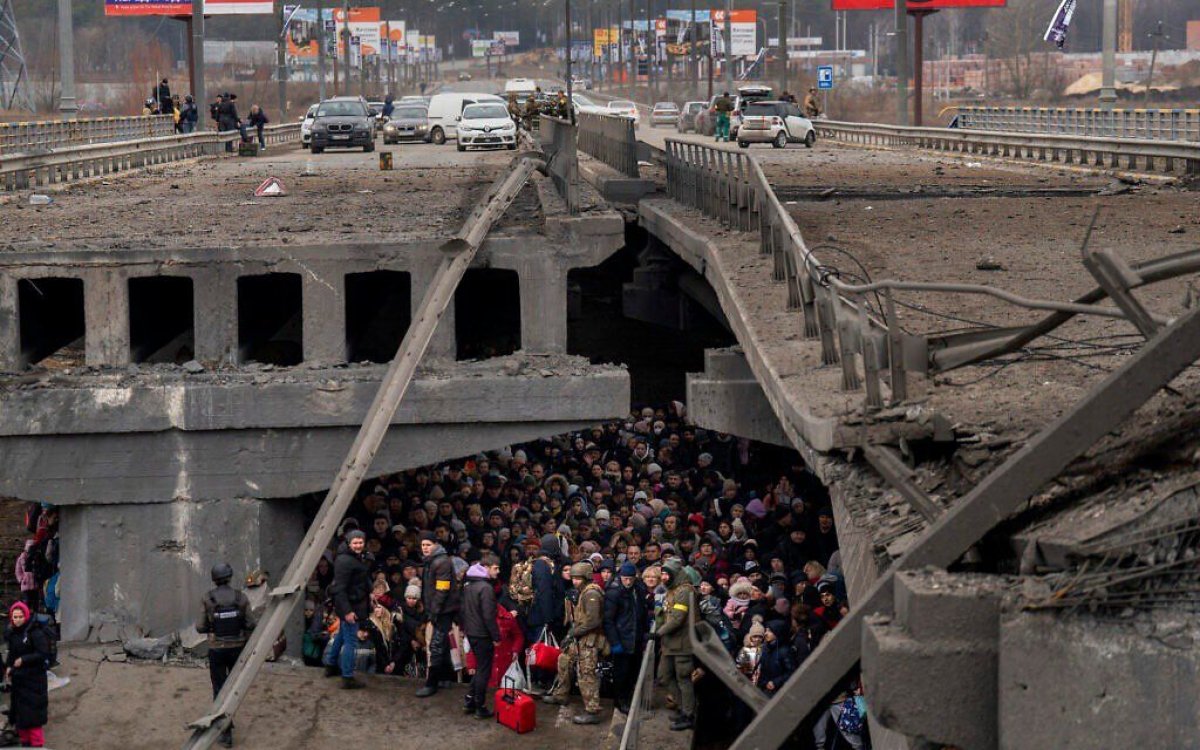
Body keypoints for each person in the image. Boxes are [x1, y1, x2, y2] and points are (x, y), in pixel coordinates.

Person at [196, 562, 255, 747]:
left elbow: (200, 627)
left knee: (219, 689)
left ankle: (225, 731)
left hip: (217, 650)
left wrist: (212, 625)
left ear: (214, 579)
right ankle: (228, 722)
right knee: (235, 688)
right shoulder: (241, 597)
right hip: (237, 648)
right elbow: (251, 624)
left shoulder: (207, 598)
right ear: (229, 577)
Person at [543, 561, 607, 724]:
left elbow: (592, 621)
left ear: (586, 577)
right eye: (573, 578)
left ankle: (592, 710)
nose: (575, 581)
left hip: (589, 639)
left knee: (586, 674)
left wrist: (572, 633)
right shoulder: (582, 591)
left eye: (578, 578)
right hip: (580, 637)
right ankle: (561, 695)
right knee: (564, 660)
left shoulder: (591, 593)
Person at [324, 529, 371, 689]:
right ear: (349, 543)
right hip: (351, 605)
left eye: (361, 542)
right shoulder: (345, 561)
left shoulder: (354, 557)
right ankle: (348, 676)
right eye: (355, 543)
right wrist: (347, 611)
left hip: (353, 603)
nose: (358, 545)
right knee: (351, 641)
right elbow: (340, 589)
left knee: (342, 636)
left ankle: (331, 665)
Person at [417, 530, 461, 697]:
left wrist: (434, 611)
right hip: (440, 609)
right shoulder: (432, 560)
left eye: (428, 544)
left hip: (443, 610)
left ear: (435, 544)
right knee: (441, 643)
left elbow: (442, 589)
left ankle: (432, 683)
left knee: (436, 645)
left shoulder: (441, 562)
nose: (425, 548)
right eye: (423, 545)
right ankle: (445, 677)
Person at [655, 558, 696, 731]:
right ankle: (682, 707)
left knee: (683, 678)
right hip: (669, 644)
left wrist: (657, 633)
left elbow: (678, 619)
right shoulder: (671, 590)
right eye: (662, 574)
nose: (663, 577)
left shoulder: (684, 591)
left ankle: (688, 714)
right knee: (663, 676)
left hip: (682, 644)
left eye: (666, 574)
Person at [461, 552, 502, 719]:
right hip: (483, 634)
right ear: (485, 568)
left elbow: (463, 609)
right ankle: (480, 706)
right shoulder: (485, 588)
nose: (498, 571)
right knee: (483, 671)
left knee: (480, 669)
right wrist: (496, 637)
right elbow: (488, 616)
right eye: (495, 568)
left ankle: (470, 701)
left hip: (471, 632)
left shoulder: (468, 585)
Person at [5, 602, 50, 748]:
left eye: (20, 616)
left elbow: (42, 654)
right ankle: (25, 745)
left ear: (26, 616)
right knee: (21, 719)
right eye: (15, 617)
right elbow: (12, 655)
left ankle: (37, 746)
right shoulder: (12, 634)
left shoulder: (35, 633)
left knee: (33, 720)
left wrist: (23, 660)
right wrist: (9, 667)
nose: (17, 620)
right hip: (19, 682)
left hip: (34, 681)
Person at [604, 561, 644, 714]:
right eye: (625, 578)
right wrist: (615, 642)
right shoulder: (614, 593)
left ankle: (628, 698)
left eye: (630, 579)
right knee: (621, 673)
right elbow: (608, 620)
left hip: (635, 637)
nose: (627, 581)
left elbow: (640, 613)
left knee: (633, 671)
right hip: (622, 638)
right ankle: (620, 701)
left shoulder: (638, 590)